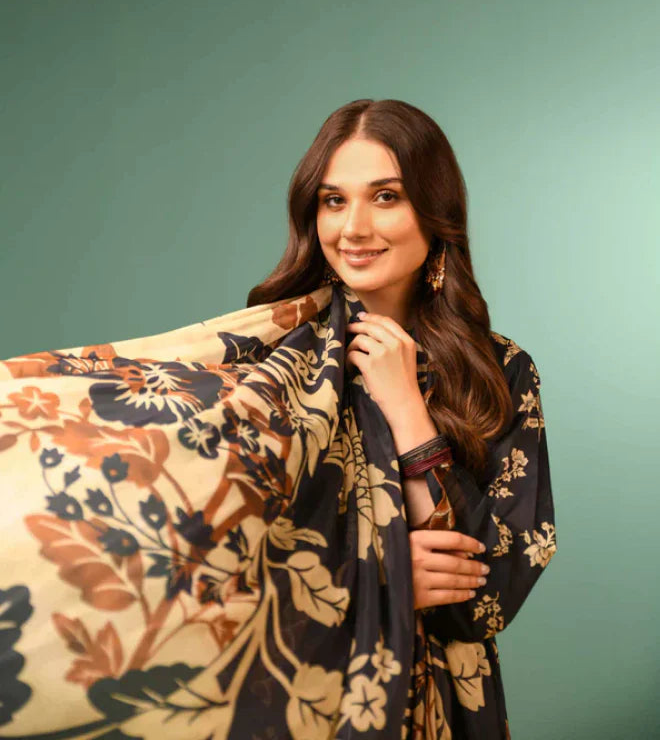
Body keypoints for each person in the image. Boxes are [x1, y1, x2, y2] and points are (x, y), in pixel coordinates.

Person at [0, 98, 556, 740]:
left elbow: (491, 596)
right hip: (309, 701)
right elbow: (213, 551)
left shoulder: (499, 371)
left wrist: (407, 408)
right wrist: (381, 577)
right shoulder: (274, 358)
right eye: (333, 200)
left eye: (385, 197)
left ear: (435, 211)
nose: (353, 227)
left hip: (450, 709)